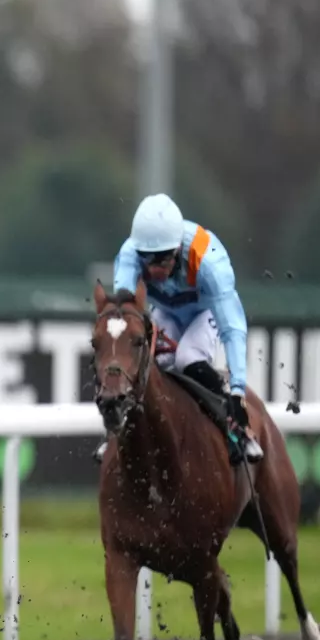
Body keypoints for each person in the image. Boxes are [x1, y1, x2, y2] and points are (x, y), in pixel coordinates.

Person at [94, 193, 262, 465]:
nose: (154, 269)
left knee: (187, 357)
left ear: (177, 251)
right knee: (154, 362)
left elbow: (232, 328)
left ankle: (236, 430)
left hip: (205, 312)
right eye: (147, 260)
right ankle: (119, 433)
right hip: (168, 312)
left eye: (162, 261)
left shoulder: (208, 263)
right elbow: (123, 315)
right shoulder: (129, 255)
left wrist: (238, 390)